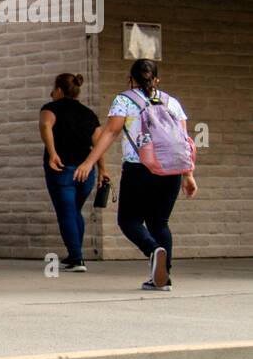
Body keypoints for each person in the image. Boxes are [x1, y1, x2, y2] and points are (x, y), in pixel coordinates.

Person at [74, 59, 198, 291]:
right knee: (160, 223)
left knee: (128, 220)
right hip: (171, 170)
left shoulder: (125, 100)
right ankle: (163, 278)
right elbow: (182, 142)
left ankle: (153, 252)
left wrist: (90, 162)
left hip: (139, 168)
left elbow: (110, 132)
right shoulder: (172, 103)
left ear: (130, 80)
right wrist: (188, 175)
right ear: (156, 80)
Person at [39, 73, 106, 271]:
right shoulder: (89, 114)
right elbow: (99, 143)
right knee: (74, 211)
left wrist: (52, 153)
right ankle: (74, 255)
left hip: (62, 170)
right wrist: (102, 169)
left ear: (59, 89)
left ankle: (77, 258)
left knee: (66, 213)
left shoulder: (50, 108)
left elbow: (45, 124)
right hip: (86, 173)